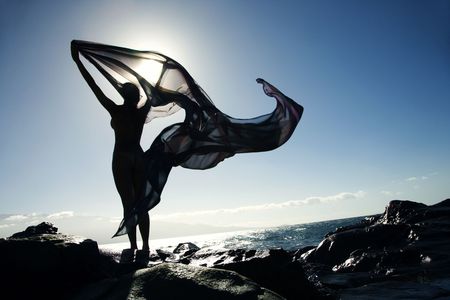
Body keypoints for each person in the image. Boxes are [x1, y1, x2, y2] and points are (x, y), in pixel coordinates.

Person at [72, 44, 151, 251]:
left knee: (129, 204)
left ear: (124, 94)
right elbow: (152, 89)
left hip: (122, 157)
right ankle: (145, 247)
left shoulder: (115, 110)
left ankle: (133, 247)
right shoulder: (141, 112)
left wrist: (78, 61)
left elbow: (94, 86)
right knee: (141, 204)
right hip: (138, 156)